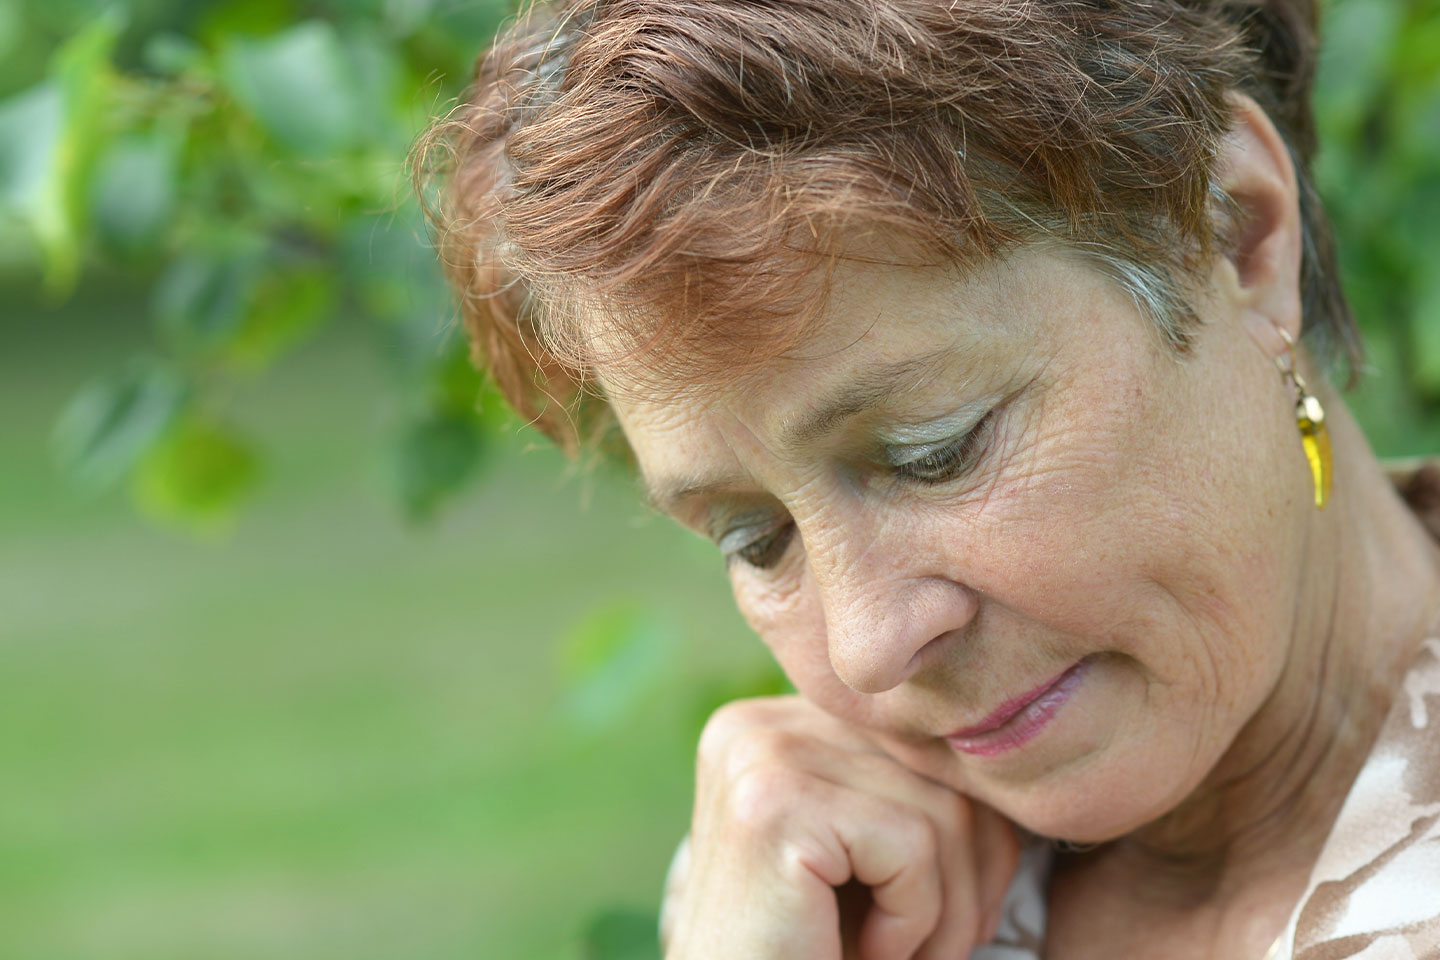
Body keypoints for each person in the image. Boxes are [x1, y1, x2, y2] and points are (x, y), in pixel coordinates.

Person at [414, 1, 1440, 956]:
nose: (869, 648)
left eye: (933, 451)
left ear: (1237, 234)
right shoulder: (813, 883)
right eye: (754, 537)